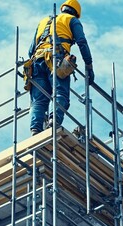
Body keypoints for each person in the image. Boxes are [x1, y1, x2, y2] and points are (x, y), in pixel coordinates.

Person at [27, 0, 94, 136]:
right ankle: (54, 121)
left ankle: (35, 129)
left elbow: (30, 50)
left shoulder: (44, 21)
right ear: (76, 13)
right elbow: (81, 42)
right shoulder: (72, 20)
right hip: (56, 59)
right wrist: (89, 65)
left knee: (39, 99)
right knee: (60, 93)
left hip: (37, 60)